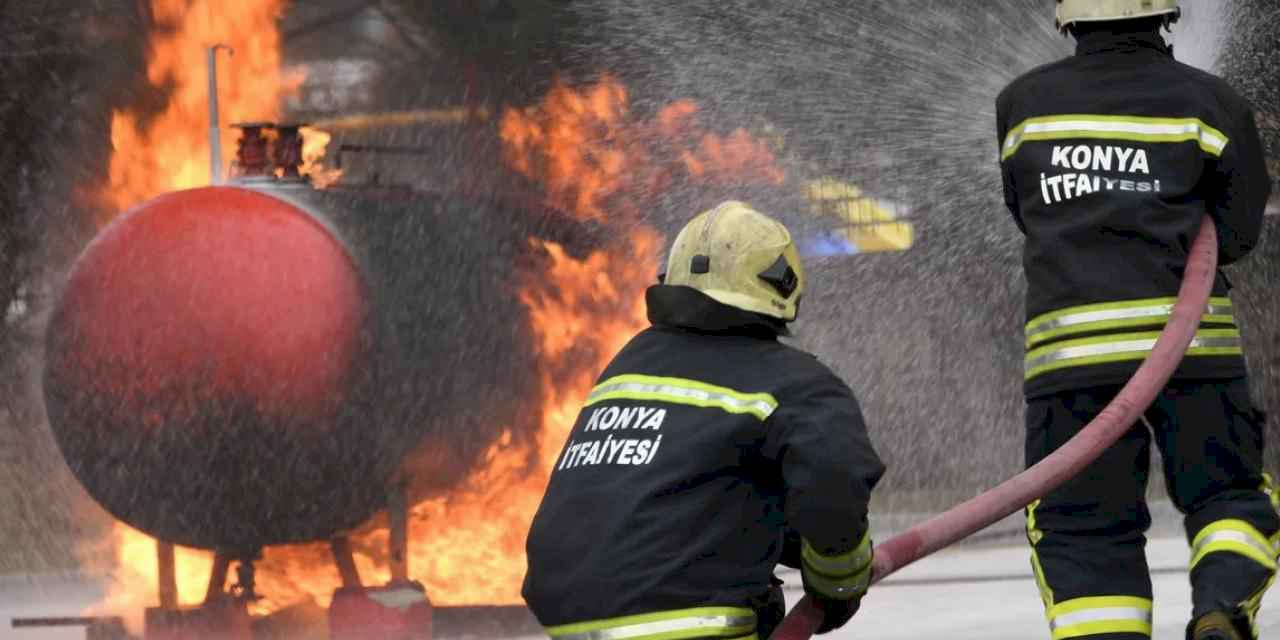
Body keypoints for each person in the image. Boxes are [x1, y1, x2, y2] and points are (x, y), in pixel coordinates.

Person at [995, 1, 1277, 638]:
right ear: (1166, 15)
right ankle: (1220, 610)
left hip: (1070, 359)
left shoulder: (1021, 104)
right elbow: (1235, 233)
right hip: (1191, 352)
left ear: (1068, 17)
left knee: (1081, 524)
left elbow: (1028, 213)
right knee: (1227, 496)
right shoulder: (1212, 102)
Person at [522, 201, 886, 639]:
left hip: (571, 626)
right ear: (783, 283)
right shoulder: (794, 383)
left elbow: (689, 500)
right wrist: (838, 583)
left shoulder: (630, 365)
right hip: (688, 624)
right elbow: (834, 486)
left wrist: (792, 542)